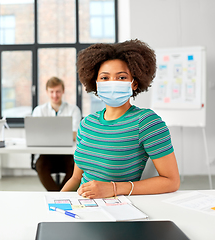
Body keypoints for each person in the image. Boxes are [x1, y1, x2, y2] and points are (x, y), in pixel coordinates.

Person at [61, 39, 180, 198]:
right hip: (81, 205)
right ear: (95, 83)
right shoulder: (87, 124)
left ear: (134, 83)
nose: (112, 83)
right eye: (104, 78)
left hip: (117, 208)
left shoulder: (146, 122)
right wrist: (56, 201)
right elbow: (76, 178)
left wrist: (114, 188)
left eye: (121, 77)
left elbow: (171, 181)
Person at [32, 77, 81, 191]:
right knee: (40, 165)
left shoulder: (73, 110)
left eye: (58, 91)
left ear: (63, 91)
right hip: (46, 154)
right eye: (52, 92)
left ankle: (60, 194)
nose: (55, 95)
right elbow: (35, 134)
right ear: (47, 92)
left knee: (76, 167)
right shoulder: (39, 110)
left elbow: (76, 135)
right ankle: (58, 194)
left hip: (67, 154)